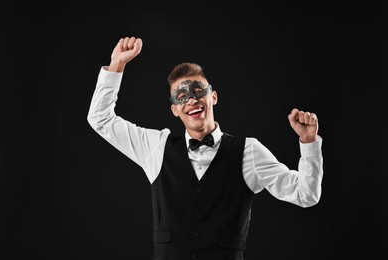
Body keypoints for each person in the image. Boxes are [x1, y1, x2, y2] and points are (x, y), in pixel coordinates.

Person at [87, 36, 323, 260]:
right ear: (175, 110)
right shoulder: (156, 147)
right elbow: (100, 119)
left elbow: (306, 195)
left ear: (213, 97)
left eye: (198, 92)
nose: (191, 100)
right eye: (181, 96)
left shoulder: (249, 151)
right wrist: (116, 65)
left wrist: (309, 142)